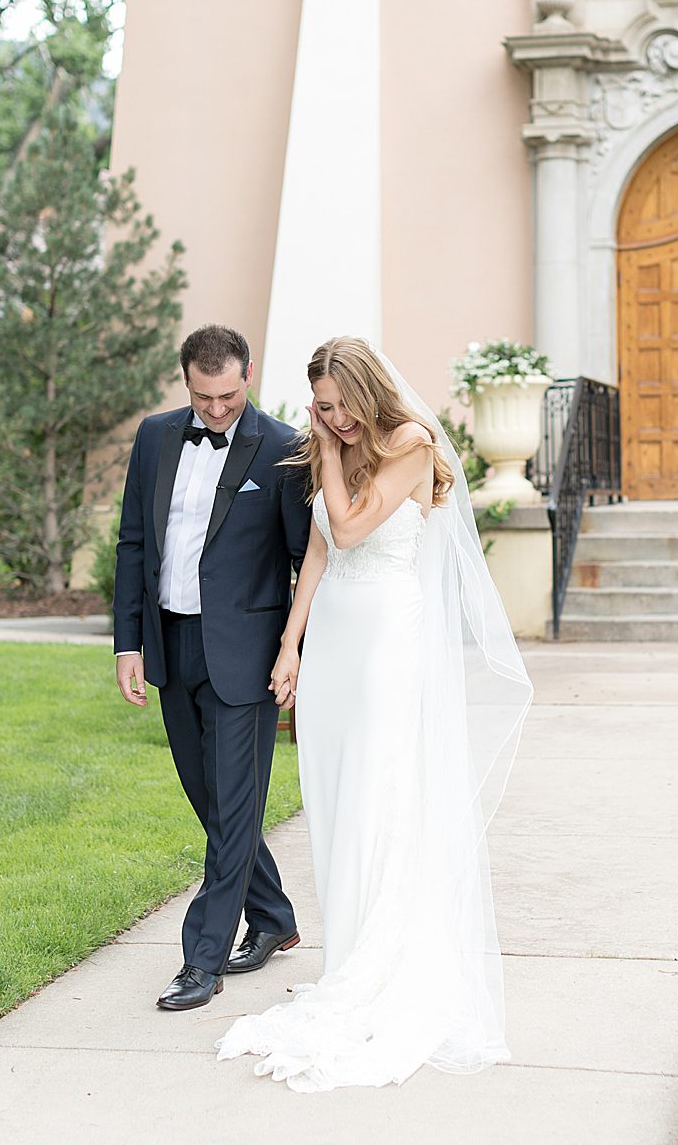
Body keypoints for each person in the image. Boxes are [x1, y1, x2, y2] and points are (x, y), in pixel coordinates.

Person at [217, 336, 534, 1091]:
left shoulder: (412, 442)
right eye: (322, 409)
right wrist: (291, 644)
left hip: (388, 633)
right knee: (333, 794)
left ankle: (382, 960)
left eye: (339, 406)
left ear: (366, 392)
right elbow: (321, 551)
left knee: (377, 790)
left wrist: (328, 451)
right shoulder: (336, 446)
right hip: (335, 634)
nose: (332, 420)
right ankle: (349, 955)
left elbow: (354, 525)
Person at [113, 324, 310, 1012]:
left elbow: (305, 559)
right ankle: (274, 915)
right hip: (172, 643)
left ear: (247, 375)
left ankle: (201, 960)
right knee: (212, 800)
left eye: (228, 395)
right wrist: (128, 642)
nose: (217, 409)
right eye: (204, 397)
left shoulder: (284, 446)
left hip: (248, 655)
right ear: (186, 381)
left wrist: (294, 650)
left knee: (232, 808)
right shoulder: (154, 436)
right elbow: (133, 541)